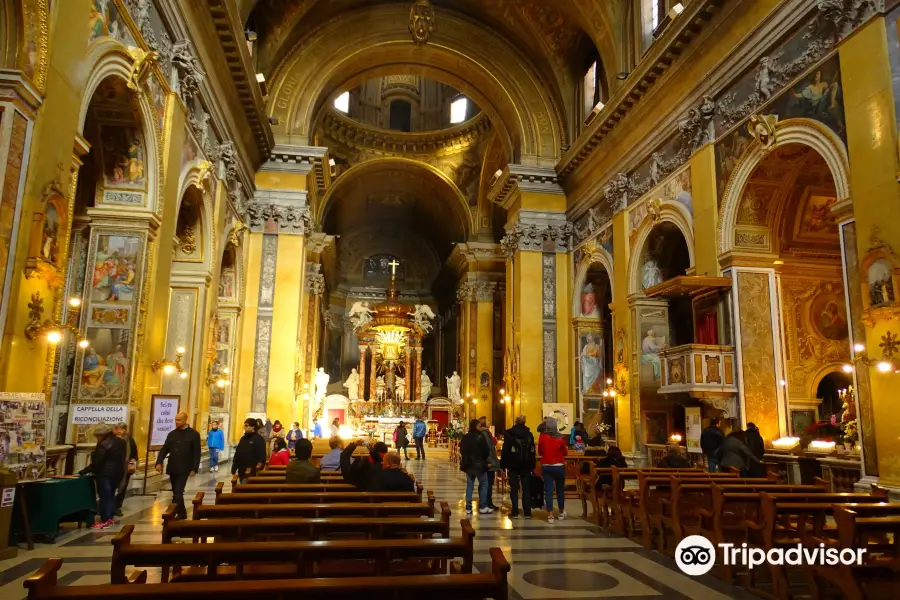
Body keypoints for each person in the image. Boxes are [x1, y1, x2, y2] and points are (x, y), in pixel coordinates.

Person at [155, 412, 201, 521]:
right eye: (175, 420)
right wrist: (159, 462)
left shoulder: (193, 434)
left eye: (179, 420)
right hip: (173, 467)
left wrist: (194, 468)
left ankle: (172, 514)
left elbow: (196, 453)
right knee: (176, 491)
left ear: (185, 420)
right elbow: (165, 449)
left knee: (178, 492)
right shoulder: (172, 434)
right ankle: (182, 513)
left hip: (185, 468)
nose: (176, 422)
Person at [80, 423, 126, 529]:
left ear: (103, 435)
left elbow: (97, 462)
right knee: (111, 495)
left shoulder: (104, 445)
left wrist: (84, 471)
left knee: (105, 496)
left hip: (105, 474)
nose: (97, 438)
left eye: (98, 436)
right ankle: (110, 517)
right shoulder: (121, 442)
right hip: (118, 472)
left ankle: (106, 519)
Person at [500, 414, 536, 519]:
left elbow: (505, 450)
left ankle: (515, 511)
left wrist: (503, 464)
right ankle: (527, 512)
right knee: (526, 488)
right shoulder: (529, 434)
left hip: (513, 464)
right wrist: (532, 464)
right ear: (524, 422)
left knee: (514, 488)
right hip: (526, 464)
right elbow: (532, 450)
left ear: (515, 422)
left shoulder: (509, 433)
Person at [538, 418, 568, 523]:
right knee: (560, 490)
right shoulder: (560, 438)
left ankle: (550, 515)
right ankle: (561, 512)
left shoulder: (542, 437)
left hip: (546, 466)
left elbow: (540, 451)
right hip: (559, 466)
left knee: (548, 491)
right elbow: (565, 452)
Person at [460, 419, 491, 515]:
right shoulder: (480, 436)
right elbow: (486, 450)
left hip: (469, 465)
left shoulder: (465, 437)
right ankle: (483, 506)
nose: (480, 427)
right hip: (479, 465)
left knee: (470, 486)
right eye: (479, 426)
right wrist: (484, 461)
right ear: (476, 426)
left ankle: (468, 507)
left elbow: (462, 450)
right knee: (484, 484)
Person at [231, 417, 267, 482]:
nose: (244, 427)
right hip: (241, 471)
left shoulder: (259, 439)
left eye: (246, 425)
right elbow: (238, 453)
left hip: (252, 472)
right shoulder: (243, 439)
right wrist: (234, 467)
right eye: (244, 425)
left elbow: (262, 457)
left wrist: (258, 468)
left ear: (253, 427)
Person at [113, 422, 137, 517]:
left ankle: (117, 506)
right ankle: (111, 506)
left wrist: (132, 463)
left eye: (120, 429)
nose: (118, 432)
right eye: (117, 429)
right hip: (114, 467)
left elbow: (134, 453)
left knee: (122, 488)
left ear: (124, 430)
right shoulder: (113, 439)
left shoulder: (129, 440)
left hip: (125, 467)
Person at [479, 416, 500, 510]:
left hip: (489, 461)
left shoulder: (486, 433)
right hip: (489, 462)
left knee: (488, 483)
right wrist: (489, 461)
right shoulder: (484, 433)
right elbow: (488, 449)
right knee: (487, 483)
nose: (489, 421)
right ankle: (486, 502)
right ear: (483, 423)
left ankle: (487, 501)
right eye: (487, 420)